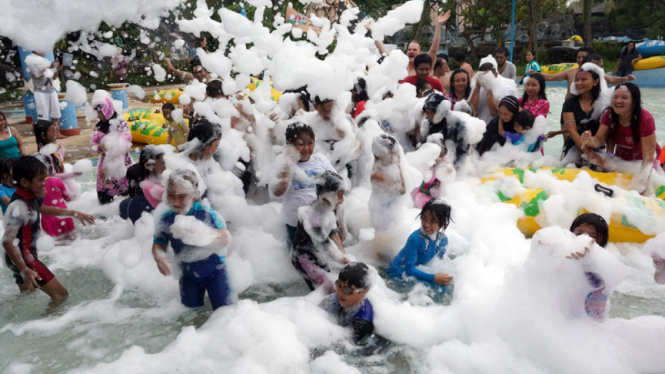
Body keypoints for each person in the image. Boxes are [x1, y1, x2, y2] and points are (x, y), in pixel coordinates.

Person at [2, 156, 95, 306]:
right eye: (40, 179)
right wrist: (24, 269)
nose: (44, 183)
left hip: (17, 257)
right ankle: (48, 327)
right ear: (25, 182)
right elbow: (7, 241)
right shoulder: (18, 206)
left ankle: (22, 326)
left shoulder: (30, 196)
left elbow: (43, 208)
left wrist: (74, 213)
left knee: (26, 297)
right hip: (24, 259)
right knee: (61, 295)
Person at [152, 169, 233, 311]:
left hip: (215, 272)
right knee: (190, 316)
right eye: (170, 195)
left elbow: (225, 238)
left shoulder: (206, 213)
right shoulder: (164, 219)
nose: (175, 201)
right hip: (187, 276)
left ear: (195, 196)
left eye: (182, 196)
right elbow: (158, 245)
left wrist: (199, 234)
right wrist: (159, 257)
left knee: (225, 313)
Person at [581, 83, 661, 193]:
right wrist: (588, 140)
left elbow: (648, 159)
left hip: (645, 161)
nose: (618, 101)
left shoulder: (645, 120)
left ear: (634, 101)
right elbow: (598, 140)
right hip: (623, 159)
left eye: (624, 98)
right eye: (615, 97)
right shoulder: (609, 115)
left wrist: (640, 188)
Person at [269, 123, 335, 249]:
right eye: (300, 144)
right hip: (294, 223)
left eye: (310, 143)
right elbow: (277, 191)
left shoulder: (320, 161)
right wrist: (288, 160)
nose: (306, 148)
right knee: (298, 257)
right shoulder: (283, 163)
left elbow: (337, 186)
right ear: (290, 146)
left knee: (321, 254)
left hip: (319, 221)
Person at [291, 170, 351, 294]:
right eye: (339, 195)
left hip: (317, 255)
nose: (342, 200)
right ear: (325, 197)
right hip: (304, 258)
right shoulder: (311, 217)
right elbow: (324, 244)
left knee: (330, 283)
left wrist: (346, 258)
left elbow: (333, 234)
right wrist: (342, 260)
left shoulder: (327, 210)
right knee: (327, 290)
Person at [386, 199, 453, 292]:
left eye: (433, 221)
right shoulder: (415, 239)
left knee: (445, 285)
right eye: (424, 218)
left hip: (417, 269)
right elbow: (409, 270)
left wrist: (440, 276)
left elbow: (438, 262)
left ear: (442, 224)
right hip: (399, 272)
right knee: (438, 287)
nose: (426, 224)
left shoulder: (443, 240)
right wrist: (434, 278)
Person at [532, 47, 635, 100]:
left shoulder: (595, 74)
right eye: (578, 57)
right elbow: (550, 77)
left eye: (583, 57)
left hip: (585, 105)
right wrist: (535, 73)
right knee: (567, 138)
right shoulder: (570, 72)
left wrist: (625, 79)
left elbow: (611, 79)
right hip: (569, 105)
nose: (580, 60)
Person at [566, 213, 611, 322]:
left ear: (601, 241)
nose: (584, 239)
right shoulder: (565, 257)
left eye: (592, 236)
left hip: (589, 325)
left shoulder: (604, 264)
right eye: (579, 233)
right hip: (565, 320)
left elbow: (597, 284)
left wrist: (586, 262)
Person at [557, 67, 605, 166]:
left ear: (595, 82)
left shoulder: (604, 103)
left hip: (597, 146)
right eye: (577, 80)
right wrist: (589, 154)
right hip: (573, 147)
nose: (579, 83)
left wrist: (606, 154)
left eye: (584, 79)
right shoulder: (569, 103)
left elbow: (606, 133)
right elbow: (572, 131)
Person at [91, 97, 133, 204]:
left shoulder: (121, 124)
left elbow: (124, 144)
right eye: (97, 113)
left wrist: (110, 146)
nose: (99, 116)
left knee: (124, 197)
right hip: (105, 164)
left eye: (100, 113)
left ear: (107, 110)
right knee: (104, 199)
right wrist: (100, 147)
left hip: (121, 164)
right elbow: (93, 146)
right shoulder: (98, 126)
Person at [319, 262, 374, 344]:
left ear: (363, 292)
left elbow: (346, 348)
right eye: (338, 285)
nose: (340, 293)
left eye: (347, 290)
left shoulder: (361, 324)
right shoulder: (335, 299)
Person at [421, 92, 470, 169]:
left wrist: (454, 170)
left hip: (451, 166)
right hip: (433, 165)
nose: (429, 116)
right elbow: (421, 147)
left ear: (441, 111)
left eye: (432, 113)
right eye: (427, 113)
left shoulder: (457, 124)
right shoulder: (427, 124)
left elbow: (463, 153)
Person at [120, 145, 166, 224]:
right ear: (148, 165)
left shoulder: (127, 205)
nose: (165, 168)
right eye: (162, 163)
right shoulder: (155, 189)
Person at [33, 153, 76, 237]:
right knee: (71, 240)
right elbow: (68, 198)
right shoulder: (58, 181)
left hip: (48, 220)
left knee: (56, 245)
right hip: (64, 215)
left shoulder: (34, 186)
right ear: (50, 167)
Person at [469, 59, 517, 124]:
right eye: (483, 76)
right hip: (480, 126)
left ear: (496, 75)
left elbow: (494, 112)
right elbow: (470, 109)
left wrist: (489, 88)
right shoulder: (478, 87)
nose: (485, 79)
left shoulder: (507, 89)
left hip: (496, 129)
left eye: (488, 76)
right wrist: (477, 86)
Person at [403, 10, 450, 76]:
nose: (411, 51)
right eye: (409, 49)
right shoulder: (401, 68)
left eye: (414, 50)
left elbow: (434, 49)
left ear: (420, 53)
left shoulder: (425, 68)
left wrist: (438, 25)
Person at [28, 52, 62, 136]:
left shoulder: (45, 62)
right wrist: (49, 67)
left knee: (55, 115)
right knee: (43, 118)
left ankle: (57, 134)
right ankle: (45, 136)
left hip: (51, 91)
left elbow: (54, 77)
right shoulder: (31, 61)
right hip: (40, 92)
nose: (44, 51)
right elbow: (37, 75)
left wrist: (58, 68)